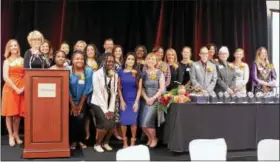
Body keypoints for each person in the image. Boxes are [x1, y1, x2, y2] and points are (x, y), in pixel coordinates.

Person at [91, 54, 118, 152]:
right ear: (103, 62)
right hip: (98, 103)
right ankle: (97, 144)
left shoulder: (115, 74)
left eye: (112, 61)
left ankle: (105, 143)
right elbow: (97, 93)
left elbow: (114, 93)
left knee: (112, 124)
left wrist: (111, 109)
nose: (110, 63)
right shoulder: (97, 74)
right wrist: (105, 110)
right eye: (108, 61)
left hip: (109, 104)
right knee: (105, 124)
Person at [2, 39, 24, 147]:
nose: (14, 47)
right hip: (10, 89)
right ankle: (10, 135)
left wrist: (23, 87)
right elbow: (5, 77)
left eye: (15, 45)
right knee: (9, 114)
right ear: (9, 48)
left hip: (21, 89)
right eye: (11, 46)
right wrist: (16, 88)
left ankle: (16, 134)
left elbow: (26, 75)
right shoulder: (7, 61)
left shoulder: (23, 60)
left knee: (18, 114)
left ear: (18, 47)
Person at [69, 50, 93, 150]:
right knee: (72, 119)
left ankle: (80, 140)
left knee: (81, 118)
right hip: (69, 99)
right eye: (77, 59)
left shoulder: (88, 71)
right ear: (73, 60)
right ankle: (73, 141)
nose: (80, 60)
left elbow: (87, 88)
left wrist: (79, 105)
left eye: (82, 59)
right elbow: (66, 89)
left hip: (83, 99)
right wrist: (72, 105)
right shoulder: (67, 70)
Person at [140, 53, 165, 148]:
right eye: (149, 59)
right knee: (142, 124)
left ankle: (154, 139)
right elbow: (141, 88)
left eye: (153, 59)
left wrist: (152, 98)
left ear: (156, 61)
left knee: (148, 122)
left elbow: (162, 89)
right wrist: (146, 98)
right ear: (146, 60)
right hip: (145, 100)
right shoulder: (143, 73)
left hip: (155, 100)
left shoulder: (159, 73)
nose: (150, 60)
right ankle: (150, 138)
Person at [118, 53, 142, 148]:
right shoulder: (120, 72)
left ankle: (133, 141)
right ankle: (124, 142)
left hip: (134, 99)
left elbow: (140, 89)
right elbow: (119, 88)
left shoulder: (138, 73)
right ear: (125, 60)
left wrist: (136, 101)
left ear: (135, 61)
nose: (130, 61)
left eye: (132, 59)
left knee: (133, 122)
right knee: (123, 121)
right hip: (124, 99)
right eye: (129, 59)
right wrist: (122, 101)